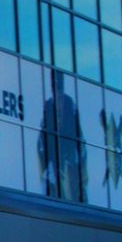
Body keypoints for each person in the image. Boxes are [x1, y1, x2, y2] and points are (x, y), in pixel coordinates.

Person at [37, 69, 85, 202]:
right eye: (55, 85)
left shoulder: (70, 104)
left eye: (59, 84)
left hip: (69, 155)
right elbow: (41, 140)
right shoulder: (48, 105)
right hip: (53, 159)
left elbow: (79, 137)